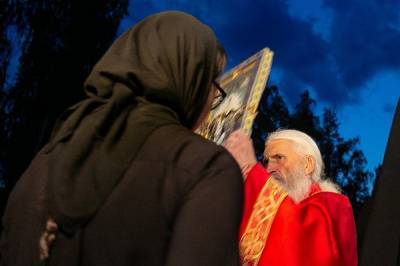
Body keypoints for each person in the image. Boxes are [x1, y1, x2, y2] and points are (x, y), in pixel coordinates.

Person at [0, 11, 243, 266]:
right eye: (213, 87)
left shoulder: (44, 161)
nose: (211, 103)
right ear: (189, 79)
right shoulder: (205, 167)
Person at [224, 129, 357, 266]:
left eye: (279, 158)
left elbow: (302, 248)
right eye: (266, 161)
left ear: (308, 165)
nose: (269, 169)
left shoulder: (333, 204)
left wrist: (249, 168)